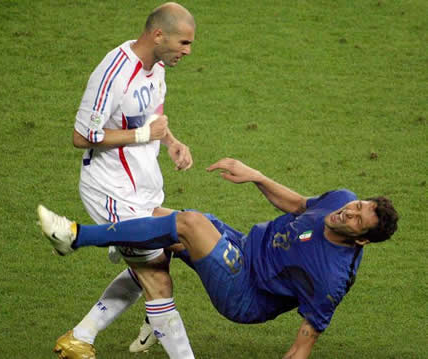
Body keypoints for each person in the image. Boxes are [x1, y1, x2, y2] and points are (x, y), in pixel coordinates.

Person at [38, 157, 399, 359]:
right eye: (358, 205)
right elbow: (299, 204)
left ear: (362, 241)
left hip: (245, 294)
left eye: (356, 219)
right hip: (242, 246)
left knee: (189, 224)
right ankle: (107, 327)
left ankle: (76, 236)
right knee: (158, 222)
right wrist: (257, 176)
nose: (348, 212)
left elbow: (303, 345)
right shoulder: (342, 200)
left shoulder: (332, 278)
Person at [55, 3, 197, 359]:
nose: (187, 51)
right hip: (111, 190)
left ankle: (81, 336)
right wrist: (142, 136)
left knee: (175, 242)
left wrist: (171, 141)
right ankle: (162, 326)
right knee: (157, 277)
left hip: (143, 185)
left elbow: (152, 116)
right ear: (157, 34)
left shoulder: (157, 68)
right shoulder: (114, 72)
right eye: (183, 42)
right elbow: (81, 136)